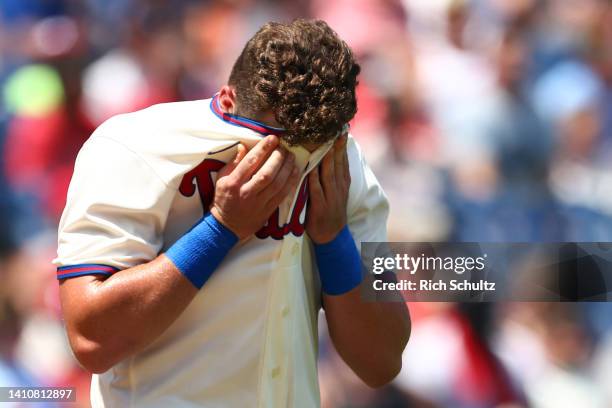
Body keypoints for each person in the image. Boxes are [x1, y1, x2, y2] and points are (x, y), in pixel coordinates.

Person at [54, 19, 410, 407]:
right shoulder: (135, 146)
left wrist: (334, 239)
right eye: (277, 144)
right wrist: (220, 229)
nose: (298, 166)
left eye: (315, 147)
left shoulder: (344, 163)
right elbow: (92, 340)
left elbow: (382, 362)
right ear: (226, 100)